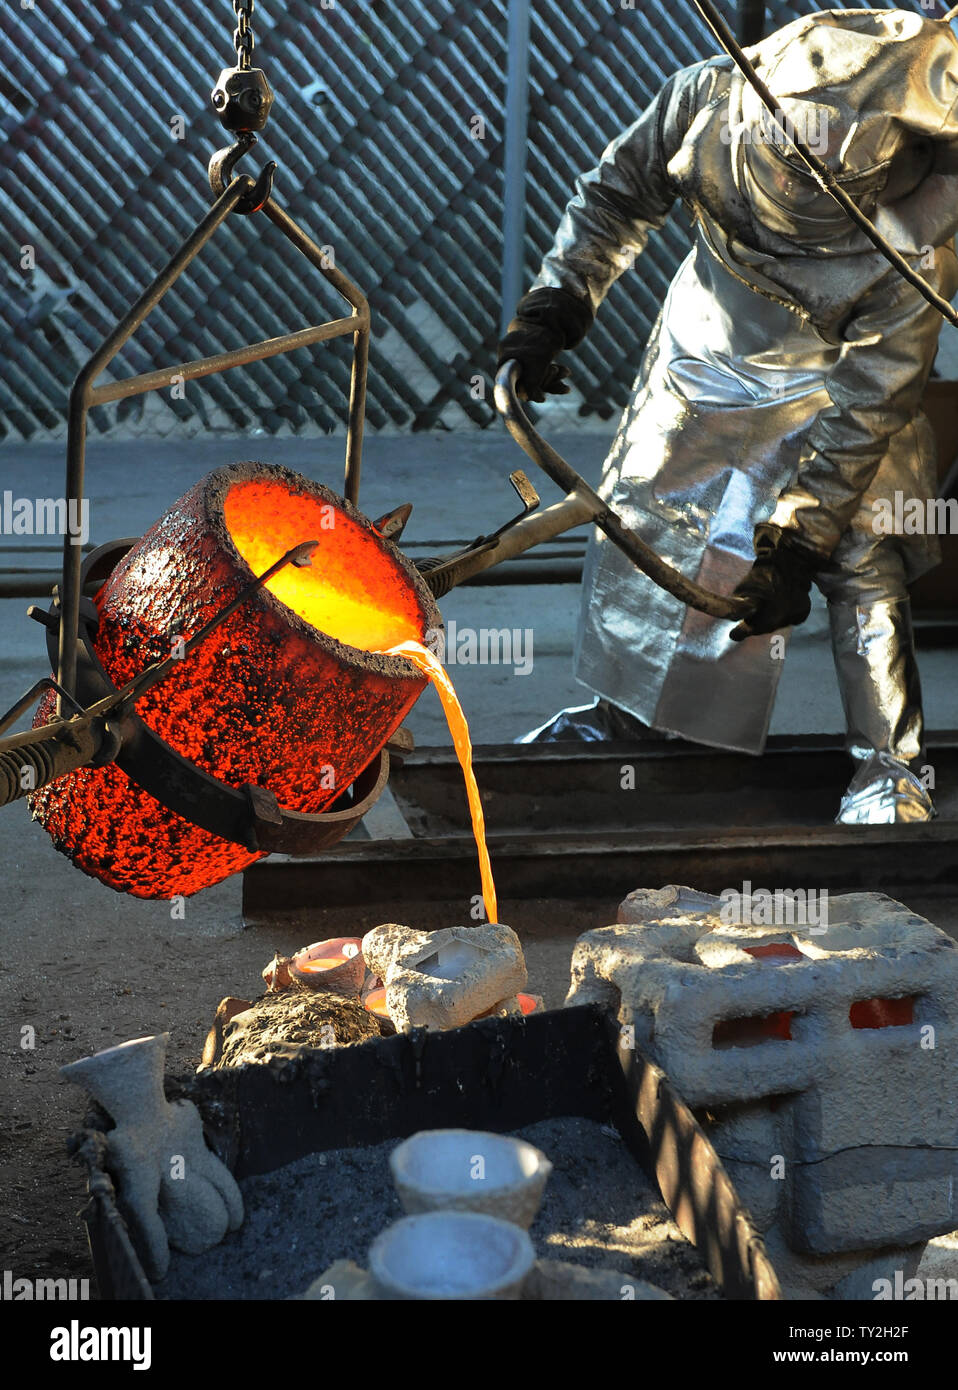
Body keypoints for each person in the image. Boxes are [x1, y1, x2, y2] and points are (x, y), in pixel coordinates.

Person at [497, 7, 958, 823]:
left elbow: (873, 398)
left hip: (832, 384)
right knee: (645, 520)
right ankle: (627, 721)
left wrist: (800, 540)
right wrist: (557, 302)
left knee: (861, 556)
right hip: (705, 349)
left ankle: (890, 766)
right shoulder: (709, 99)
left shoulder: (919, 236)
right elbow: (614, 196)